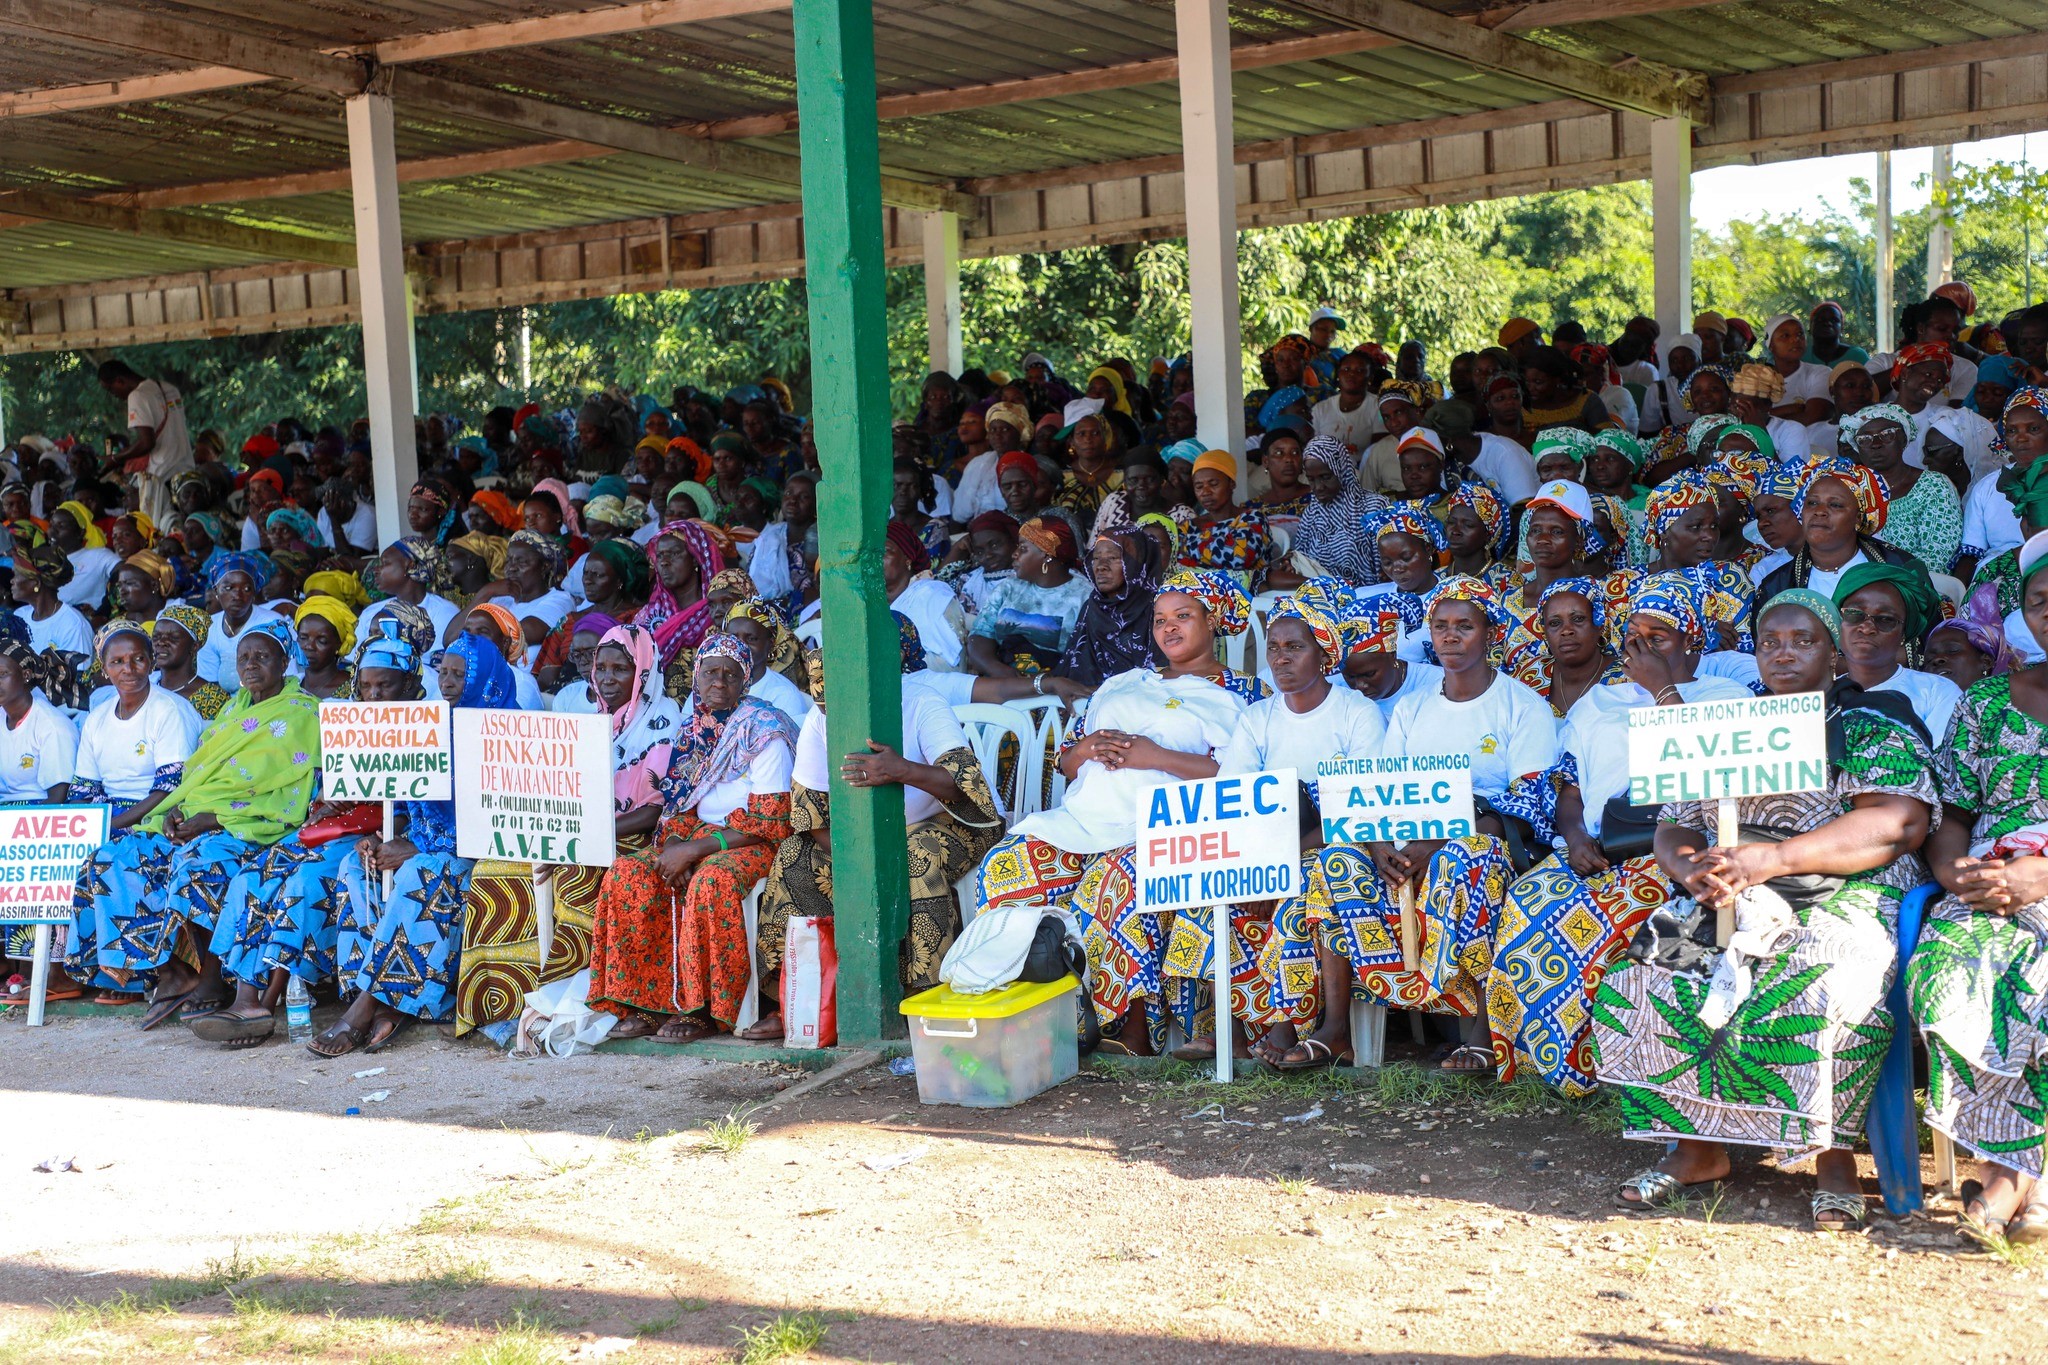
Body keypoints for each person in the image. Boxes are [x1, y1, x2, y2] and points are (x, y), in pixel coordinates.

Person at [1595, 589, 1938, 1231]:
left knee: (1819, 977)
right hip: (1731, 890)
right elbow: (1673, 823)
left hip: (1844, 893)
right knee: (1647, 969)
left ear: (1835, 652)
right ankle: (1695, 1150)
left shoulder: (1871, 723)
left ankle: (1832, 1159)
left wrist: (1772, 859)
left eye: (1804, 640)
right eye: (1771, 642)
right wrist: (1688, 869)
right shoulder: (1727, 728)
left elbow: (1898, 823)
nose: (1785, 654)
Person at [976, 570, 1266, 1058]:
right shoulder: (1124, 682)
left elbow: (1245, 779)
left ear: (1212, 622)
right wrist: (1088, 746)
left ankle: (1127, 1031)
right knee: (1007, 869)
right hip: (1082, 821)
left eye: (1182, 617)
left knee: (1113, 882)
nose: (1168, 629)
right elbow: (1066, 763)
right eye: (1159, 620)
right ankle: (1031, 1018)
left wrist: (1156, 757)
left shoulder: (1244, 694)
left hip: (1166, 826)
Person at [1489, 574, 1754, 1095]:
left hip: (1679, 851)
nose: (1643, 649)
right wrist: (1575, 836)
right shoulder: (1598, 703)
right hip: (1597, 845)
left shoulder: (1727, 694)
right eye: (1634, 639)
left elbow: (1712, 767)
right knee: (1527, 901)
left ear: (1691, 638)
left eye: (1659, 638)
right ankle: (1547, 1062)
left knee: (1598, 921)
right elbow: (1569, 784)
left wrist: (1661, 689)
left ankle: (1618, 1065)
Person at [1303, 576, 1557, 1071]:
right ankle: (1337, 1030)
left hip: (1480, 843)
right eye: (1440, 626)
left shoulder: (1521, 705)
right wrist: (1379, 846)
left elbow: (1526, 804)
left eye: (1464, 626)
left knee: (1469, 856)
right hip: (1402, 851)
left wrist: (1437, 841)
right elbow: (1377, 789)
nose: (1450, 636)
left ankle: (1483, 1033)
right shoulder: (1413, 708)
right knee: (1335, 860)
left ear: (1489, 634)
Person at [750, 618, 1005, 1039]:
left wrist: (900, 769)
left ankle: (924, 995)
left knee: (915, 851)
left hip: (950, 820)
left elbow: (963, 786)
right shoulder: (821, 718)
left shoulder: (922, 702)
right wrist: (856, 859)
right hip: (860, 838)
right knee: (795, 858)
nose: (836, 713)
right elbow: (810, 811)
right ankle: (796, 999)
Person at [1908, 527, 2048, 1240]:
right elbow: (1953, 812)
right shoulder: (1985, 704)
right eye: (2040, 598)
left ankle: (2007, 1177)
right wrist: (1951, 871)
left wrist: (2042, 876)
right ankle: (2027, 1174)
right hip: (1987, 883)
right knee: (1947, 972)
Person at [117, 620, 322, 1045]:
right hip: (203, 814)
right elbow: (199, 776)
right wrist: (177, 812)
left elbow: (292, 793)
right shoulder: (235, 707)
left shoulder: (302, 713)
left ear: (285, 662)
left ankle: (213, 978)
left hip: (261, 824)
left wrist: (215, 819)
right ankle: (171, 973)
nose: (250, 666)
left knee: (200, 861)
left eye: (262, 657)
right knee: (128, 854)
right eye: (243, 657)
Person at [586, 632, 797, 1042]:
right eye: (711, 673)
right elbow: (678, 804)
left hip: (753, 841)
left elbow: (772, 820)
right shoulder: (694, 727)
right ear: (696, 677)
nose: (719, 682)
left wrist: (695, 852)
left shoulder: (763, 730)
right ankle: (646, 1003)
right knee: (628, 874)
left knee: (711, 881)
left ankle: (706, 1011)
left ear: (746, 681)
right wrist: (672, 850)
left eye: (730, 675)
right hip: (694, 835)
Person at [318, 630, 513, 1055]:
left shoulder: (503, 732)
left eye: (460, 675)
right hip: (426, 847)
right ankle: (383, 1000)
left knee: (421, 871)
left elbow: (501, 821)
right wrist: (383, 838)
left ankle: (366, 1007)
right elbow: (411, 806)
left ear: (486, 679)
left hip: (474, 857)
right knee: (356, 867)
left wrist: (417, 849)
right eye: (443, 672)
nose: (446, 683)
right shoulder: (430, 727)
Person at [1229, 590, 1387, 1069]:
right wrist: (1260, 864)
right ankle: (1229, 1032)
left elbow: (1362, 806)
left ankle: (1309, 1027)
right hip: (1269, 843)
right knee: (1215, 890)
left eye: (1294, 647)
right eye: (1274, 647)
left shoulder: (1356, 713)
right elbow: (1232, 799)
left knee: (1314, 875)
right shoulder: (1257, 718)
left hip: (1340, 843)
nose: (1280, 657)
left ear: (1323, 651)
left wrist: (1278, 863)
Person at [62, 623, 205, 1008]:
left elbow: (170, 788)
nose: (129, 669)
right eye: (118, 662)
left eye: (138, 659)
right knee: (64, 858)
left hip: (158, 816)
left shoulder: (168, 710)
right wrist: (86, 825)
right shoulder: (97, 718)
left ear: (152, 662)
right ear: (104, 667)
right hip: (109, 814)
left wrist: (111, 826)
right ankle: (105, 975)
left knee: (110, 858)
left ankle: (151, 972)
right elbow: (83, 789)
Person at [1831, 561, 1961, 739]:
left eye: (1885, 619)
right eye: (1854, 614)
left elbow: (1940, 761)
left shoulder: (1937, 692)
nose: (1867, 627)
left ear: (1903, 635)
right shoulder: (1820, 698)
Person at [964, 515, 1091, 677]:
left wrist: (1040, 684)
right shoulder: (1008, 588)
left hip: (1057, 689)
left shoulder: (1084, 597)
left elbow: (1085, 658)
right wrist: (1001, 672)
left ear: (1047, 555)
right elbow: (980, 636)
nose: (1014, 554)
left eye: (1023, 549)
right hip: (1002, 685)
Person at [1841, 404, 1960, 573]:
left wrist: (1883, 579)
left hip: (1916, 585)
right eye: (1864, 439)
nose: (1875, 444)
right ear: (1857, 447)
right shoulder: (1847, 491)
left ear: (1903, 439)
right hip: (1854, 581)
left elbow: (1938, 556)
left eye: (1887, 435)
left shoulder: (1934, 486)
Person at [1055, 528, 1163, 686]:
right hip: (1083, 700)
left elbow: (1160, 674)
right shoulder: (1092, 606)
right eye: (1096, 558)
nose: (1101, 566)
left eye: (1113, 557)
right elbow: (1072, 665)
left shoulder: (1156, 609)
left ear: (1136, 564)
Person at [98, 359, 192, 527]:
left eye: (110, 390)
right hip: (188, 472)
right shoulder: (168, 388)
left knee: (159, 530)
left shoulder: (137, 395)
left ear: (120, 380)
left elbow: (147, 443)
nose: (114, 396)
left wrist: (115, 459)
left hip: (164, 476)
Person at [1178, 450, 1271, 591]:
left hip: (1245, 598)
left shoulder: (1252, 519)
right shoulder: (1189, 525)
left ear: (1231, 484)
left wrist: (1186, 547)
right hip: (1197, 597)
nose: (1206, 492)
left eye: (1213, 484)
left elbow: (1238, 556)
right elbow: (1176, 564)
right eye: (1199, 487)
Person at [195, 554, 283, 690]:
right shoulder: (209, 626)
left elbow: (286, 678)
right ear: (216, 591)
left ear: (254, 593)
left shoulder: (272, 623)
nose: (237, 596)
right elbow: (210, 684)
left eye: (246, 589)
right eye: (228, 588)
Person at [152, 606, 234, 719]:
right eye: (156, 637)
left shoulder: (211, 698)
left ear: (194, 646)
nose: (161, 642)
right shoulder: (147, 686)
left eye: (173, 638)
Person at [11, 543, 92, 656]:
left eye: (16, 575)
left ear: (36, 583)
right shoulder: (20, 616)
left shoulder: (72, 625)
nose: (12, 581)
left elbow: (80, 673)